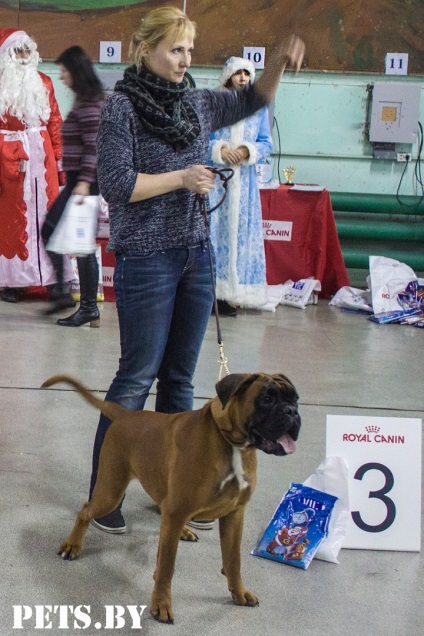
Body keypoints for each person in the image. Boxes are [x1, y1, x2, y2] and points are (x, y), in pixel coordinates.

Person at [90, 6, 305, 533]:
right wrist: (181, 178)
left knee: (180, 380)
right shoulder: (121, 109)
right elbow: (117, 185)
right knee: (136, 377)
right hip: (146, 257)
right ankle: (104, 495)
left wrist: (276, 62)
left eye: (190, 49)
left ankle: (177, 492)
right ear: (146, 51)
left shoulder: (198, 103)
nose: (186, 60)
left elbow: (253, 98)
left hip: (196, 254)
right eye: (175, 49)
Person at [0, 29, 74, 304]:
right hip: (9, 158)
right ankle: (12, 281)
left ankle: (55, 279)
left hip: (41, 160)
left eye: (27, 51)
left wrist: (60, 161)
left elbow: (55, 122)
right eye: (17, 51)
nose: (23, 56)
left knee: (50, 216)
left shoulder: (43, 82)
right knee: (11, 221)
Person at [41, 46, 104, 325]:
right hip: (78, 180)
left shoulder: (91, 104)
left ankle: (87, 306)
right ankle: (63, 295)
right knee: (53, 231)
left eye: (65, 72)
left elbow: (94, 147)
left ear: (76, 72)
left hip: (84, 182)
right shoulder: (84, 100)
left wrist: (84, 182)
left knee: (81, 245)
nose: (62, 77)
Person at [208, 57, 273, 317]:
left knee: (239, 237)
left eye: (248, 73)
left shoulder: (258, 109)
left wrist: (247, 150)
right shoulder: (214, 103)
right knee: (213, 235)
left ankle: (233, 293)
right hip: (215, 183)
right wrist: (219, 150)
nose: (243, 77)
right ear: (228, 75)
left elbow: (266, 143)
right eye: (238, 72)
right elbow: (200, 138)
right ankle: (209, 292)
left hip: (244, 186)